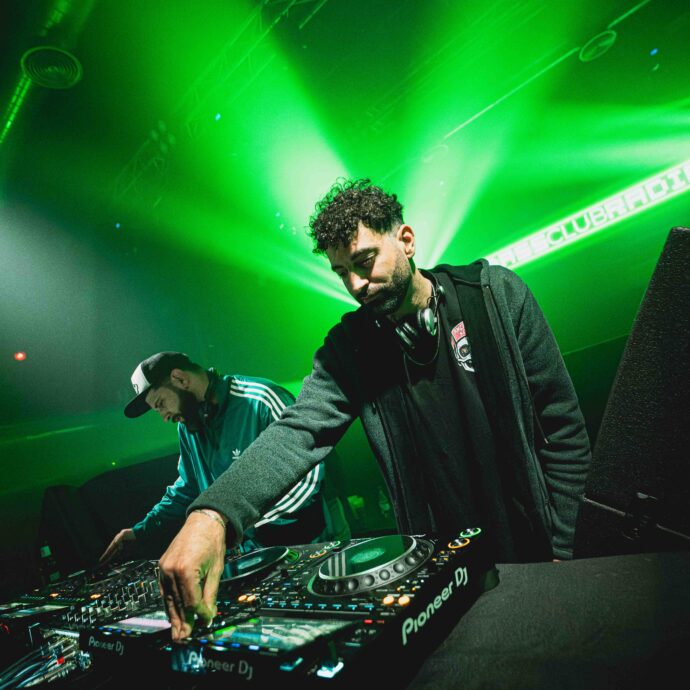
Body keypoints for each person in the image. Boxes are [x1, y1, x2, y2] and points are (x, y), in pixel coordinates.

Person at [157, 179, 592, 640]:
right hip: (445, 578)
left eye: (364, 262)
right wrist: (213, 515)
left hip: (537, 559)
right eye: (341, 272)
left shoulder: (493, 296)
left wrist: (563, 551)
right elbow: (297, 432)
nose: (356, 285)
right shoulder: (351, 349)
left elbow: (564, 432)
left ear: (406, 240)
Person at [100, 351, 349, 563]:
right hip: (257, 554)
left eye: (161, 403)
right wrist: (140, 531)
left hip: (313, 547)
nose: (164, 417)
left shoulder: (260, 399)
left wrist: (231, 526)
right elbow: (187, 488)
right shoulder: (188, 427)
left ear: (179, 378)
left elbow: (309, 479)